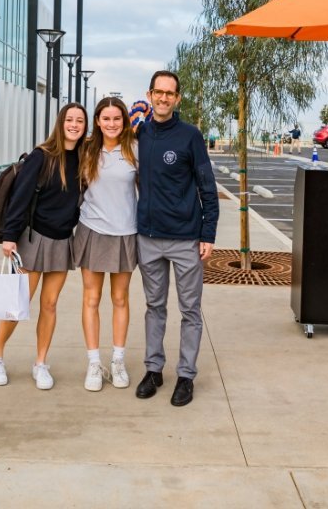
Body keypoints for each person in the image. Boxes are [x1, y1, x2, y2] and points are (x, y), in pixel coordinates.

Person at [0, 103, 88, 390]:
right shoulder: (41, 156)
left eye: (80, 120)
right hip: (32, 239)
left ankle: (40, 363)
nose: (74, 124)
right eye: (69, 119)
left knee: (50, 304)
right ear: (60, 123)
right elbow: (19, 197)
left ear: (84, 127)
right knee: (18, 303)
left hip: (62, 240)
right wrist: (10, 236)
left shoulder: (83, 160)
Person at [134, 70, 219, 407]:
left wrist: (207, 233)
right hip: (149, 238)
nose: (164, 98)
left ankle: (186, 376)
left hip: (186, 238)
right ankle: (153, 370)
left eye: (170, 93)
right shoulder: (138, 133)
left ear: (177, 98)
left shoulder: (190, 136)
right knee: (154, 307)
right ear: (150, 95)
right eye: (158, 92)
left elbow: (207, 187)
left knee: (190, 310)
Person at [73, 97, 139, 391]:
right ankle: (94, 364)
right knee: (91, 299)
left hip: (126, 233)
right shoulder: (86, 151)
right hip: (92, 231)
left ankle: (118, 361)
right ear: (97, 121)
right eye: (106, 118)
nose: (111, 124)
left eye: (117, 119)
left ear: (124, 121)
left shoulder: (135, 150)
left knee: (120, 299)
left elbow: (147, 191)